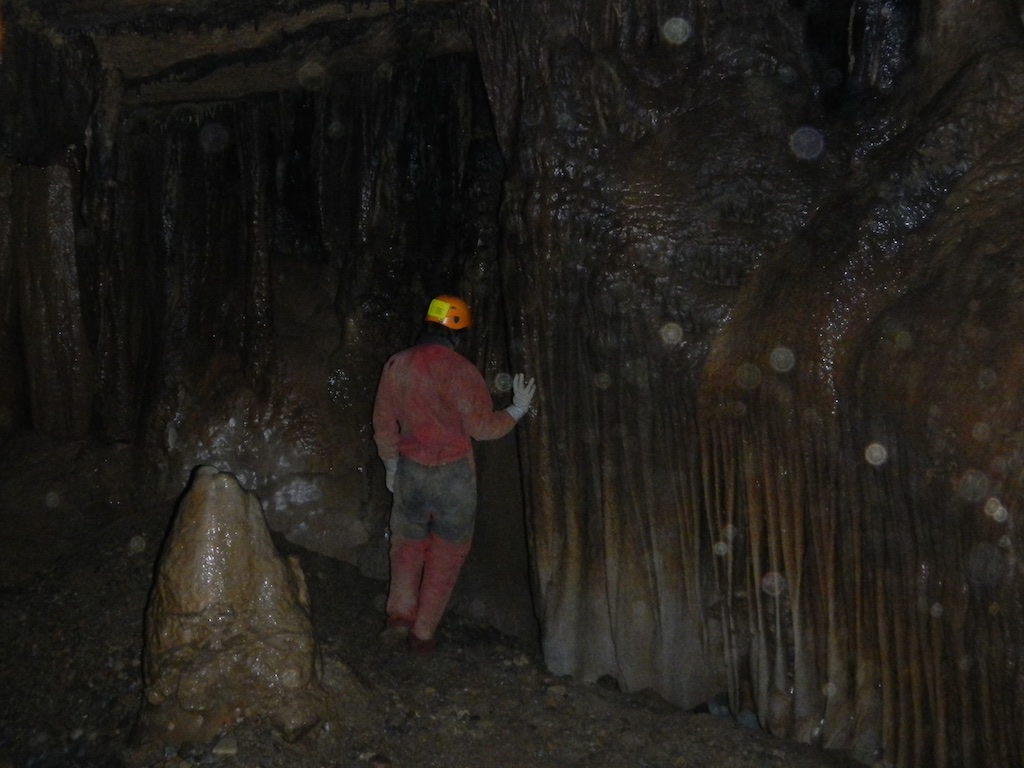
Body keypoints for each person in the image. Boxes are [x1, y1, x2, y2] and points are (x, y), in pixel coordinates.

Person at [371, 294, 536, 653]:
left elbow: (384, 422)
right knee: (447, 553)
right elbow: (482, 428)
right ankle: (423, 633)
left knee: (407, 546)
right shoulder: (462, 372)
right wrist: (517, 409)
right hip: (454, 478)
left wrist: (390, 465)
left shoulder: (398, 365)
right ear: (457, 333)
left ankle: (399, 617)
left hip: (411, 472)